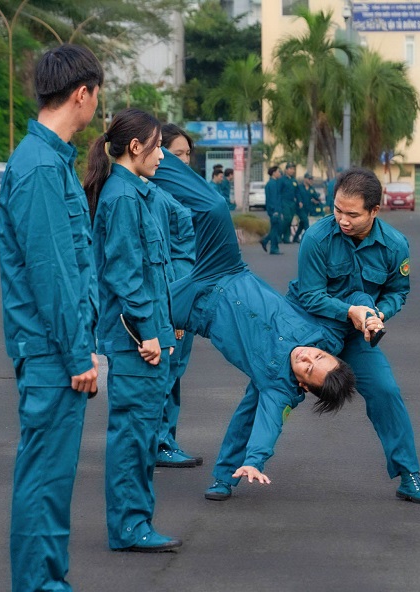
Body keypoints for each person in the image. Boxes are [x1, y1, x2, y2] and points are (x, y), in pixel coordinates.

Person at [147, 148, 367, 501]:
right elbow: (352, 298)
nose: (308, 358)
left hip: (199, 307)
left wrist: (255, 461)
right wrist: (366, 311)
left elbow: (268, 425)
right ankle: (151, 160)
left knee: (137, 306)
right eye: (319, 357)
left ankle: (226, 476)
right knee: (215, 208)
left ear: (303, 385)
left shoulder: (279, 388)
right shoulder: (324, 336)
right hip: (226, 267)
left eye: (309, 369)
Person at [0, 44, 105, 592]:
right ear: (81, 93)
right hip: (51, 352)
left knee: (55, 474)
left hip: (55, 347)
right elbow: (53, 274)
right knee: (44, 473)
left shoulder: (49, 159)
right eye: (97, 96)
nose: (97, 107)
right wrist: (77, 352)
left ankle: (51, 582)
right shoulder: (40, 168)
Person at [286, 167, 420, 505]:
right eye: (337, 209)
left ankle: (409, 475)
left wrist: (380, 314)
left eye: (352, 214)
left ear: (374, 211)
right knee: (269, 390)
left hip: (357, 336)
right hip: (309, 330)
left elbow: (398, 291)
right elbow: (310, 296)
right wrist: (351, 311)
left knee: (386, 391)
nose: (342, 219)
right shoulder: (316, 238)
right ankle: (227, 473)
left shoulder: (395, 245)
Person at [83, 108, 183, 555]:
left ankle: (137, 522)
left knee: (141, 435)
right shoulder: (123, 197)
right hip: (136, 342)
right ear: (136, 147)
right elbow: (124, 275)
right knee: (133, 437)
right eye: (158, 146)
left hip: (149, 334)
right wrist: (148, 333)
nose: (162, 156)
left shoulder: (136, 192)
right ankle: (130, 527)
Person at [154, 123, 203, 469]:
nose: (184, 160)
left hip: (188, 290)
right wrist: (175, 303)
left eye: (187, 154)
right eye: (177, 153)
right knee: (166, 372)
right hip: (174, 295)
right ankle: (158, 442)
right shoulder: (158, 195)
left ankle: (165, 438)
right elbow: (164, 254)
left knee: (175, 371)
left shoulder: (181, 192)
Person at [261, 165, 284, 255]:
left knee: (275, 228)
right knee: (275, 229)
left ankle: (265, 241)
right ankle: (274, 248)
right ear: (274, 173)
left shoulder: (274, 183)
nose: (279, 173)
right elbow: (273, 199)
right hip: (274, 210)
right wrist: (275, 210)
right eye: (278, 171)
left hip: (275, 209)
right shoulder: (272, 184)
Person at [281, 161, 304, 243]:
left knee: (290, 220)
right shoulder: (282, 180)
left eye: (293, 169)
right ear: (286, 170)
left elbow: (297, 192)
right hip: (284, 202)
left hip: (292, 203)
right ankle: (279, 234)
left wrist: (300, 201)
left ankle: (286, 238)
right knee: (287, 219)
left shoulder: (294, 180)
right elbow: (279, 192)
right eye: (290, 169)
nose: (292, 171)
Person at [292, 171, 317, 243]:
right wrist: (299, 201)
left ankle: (295, 238)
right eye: (309, 179)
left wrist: (317, 200)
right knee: (306, 222)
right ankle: (308, 238)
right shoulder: (299, 187)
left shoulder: (311, 188)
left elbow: (315, 196)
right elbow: (297, 195)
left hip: (307, 208)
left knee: (302, 224)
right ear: (305, 179)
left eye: (311, 179)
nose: (310, 180)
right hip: (300, 208)